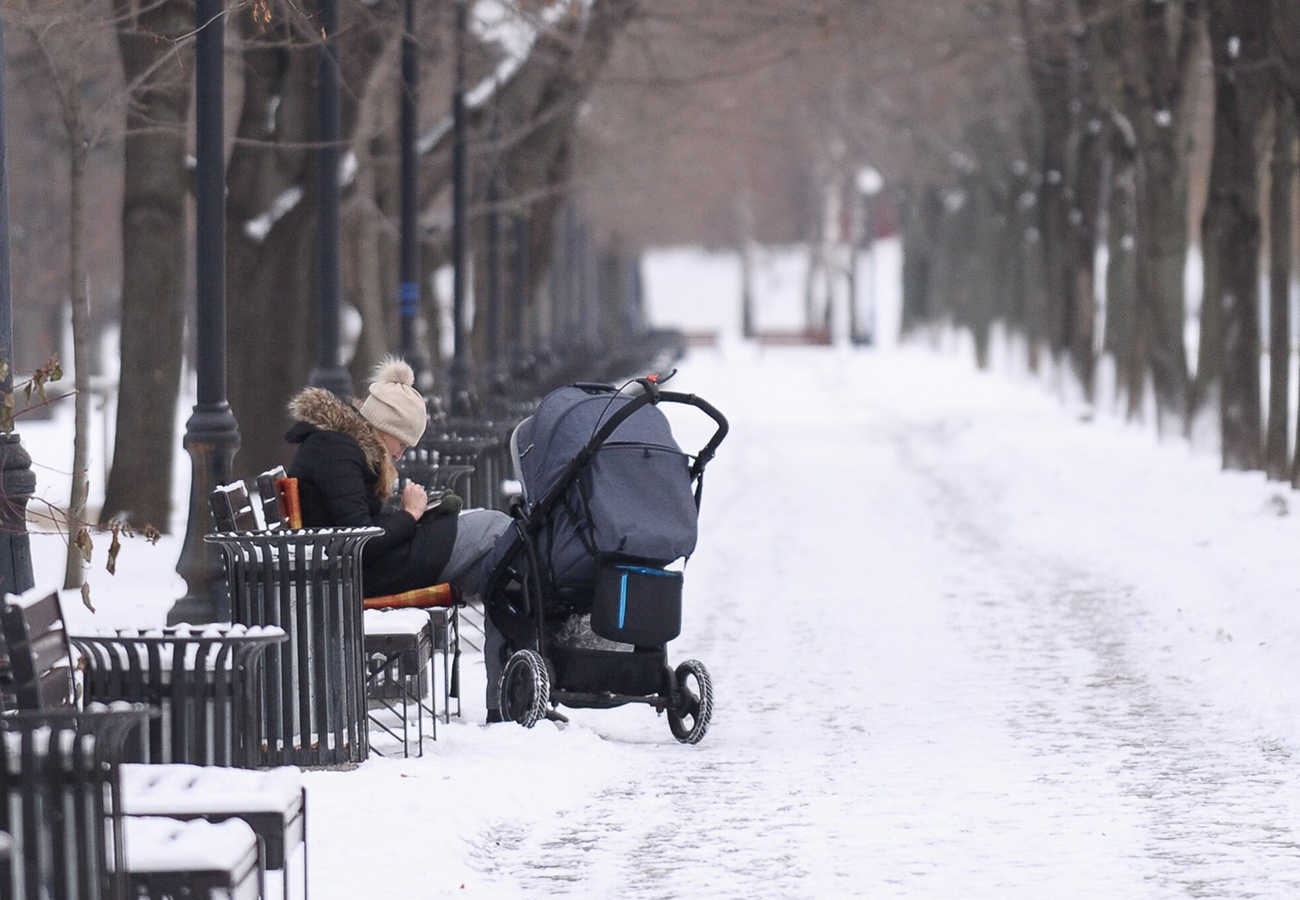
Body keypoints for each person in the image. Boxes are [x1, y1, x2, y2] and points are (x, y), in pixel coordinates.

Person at [284, 356, 510, 619]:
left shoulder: (339, 447)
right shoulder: (335, 450)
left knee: (497, 550)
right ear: (384, 427)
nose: (400, 455)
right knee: (496, 530)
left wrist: (418, 513)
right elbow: (361, 541)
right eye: (401, 444)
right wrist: (410, 515)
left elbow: (358, 526)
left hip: (369, 569)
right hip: (365, 576)